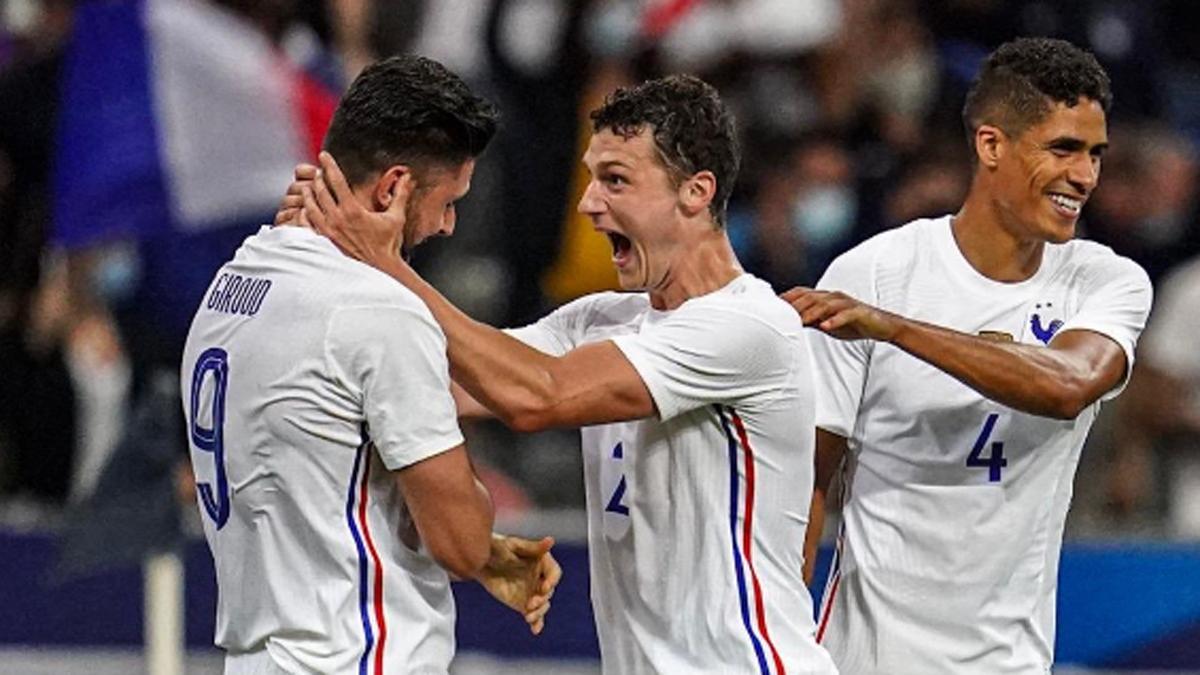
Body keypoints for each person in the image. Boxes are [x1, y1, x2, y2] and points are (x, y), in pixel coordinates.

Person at [292, 75, 838, 674]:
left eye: (616, 180)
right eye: (591, 177)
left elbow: (538, 396)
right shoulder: (600, 321)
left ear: (696, 192)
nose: (588, 203)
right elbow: (434, 386)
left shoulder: (751, 328)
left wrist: (386, 266)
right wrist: (320, 251)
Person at [783, 37, 1152, 674]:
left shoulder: (1105, 282)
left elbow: (1068, 383)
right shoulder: (874, 272)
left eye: (1095, 155)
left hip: (1009, 662)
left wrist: (897, 330)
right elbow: (808, 481)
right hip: (863, 657)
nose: (1085, 176)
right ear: (991, 145)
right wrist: (781, 638)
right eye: (1062, 148)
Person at [181, 55, 560, 675]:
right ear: (393, 188)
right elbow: (461, 543)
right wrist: (471, 530)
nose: (447, 224)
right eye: (447, 200)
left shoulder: (233, 283)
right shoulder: (381, 310)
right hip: (357, 657)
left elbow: (309, 476)